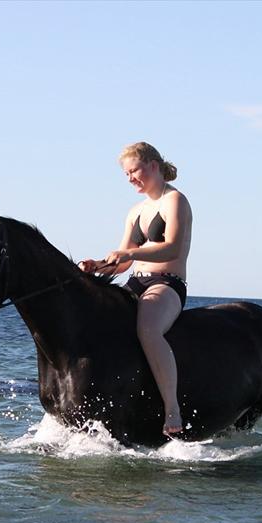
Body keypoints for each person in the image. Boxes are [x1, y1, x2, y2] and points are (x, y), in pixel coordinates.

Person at [80, 141, 193, 437]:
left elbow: (172, 248)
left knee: (148, 330)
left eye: (134, 171)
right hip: (136, 282)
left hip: (167, 283)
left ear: (153, 165)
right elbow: (121, 263)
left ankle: (172, 409)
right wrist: (98, 266)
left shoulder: (175, 201)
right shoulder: (135, 212)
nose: (130, 178)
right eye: (126, 174)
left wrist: (131, 255)